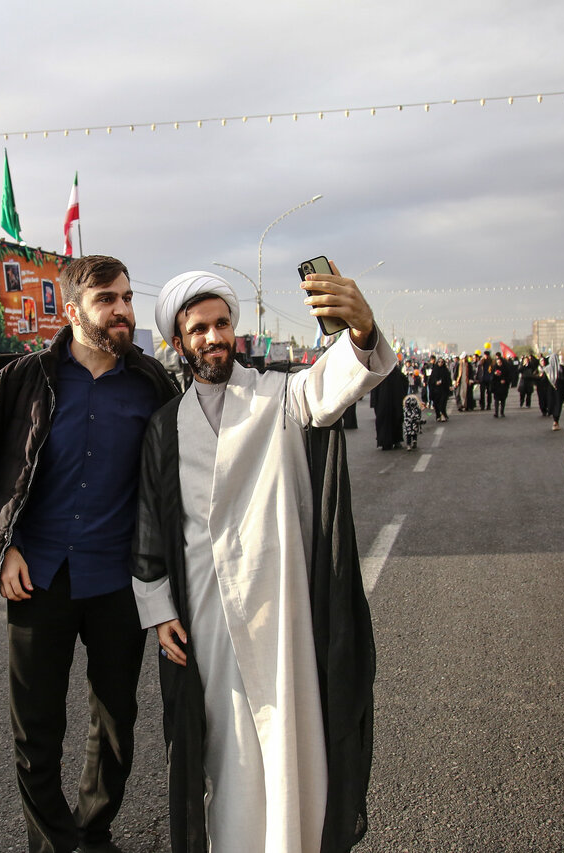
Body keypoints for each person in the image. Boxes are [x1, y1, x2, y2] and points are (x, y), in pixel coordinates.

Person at [132, 267, 394, 853]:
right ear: (178, 343)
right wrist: (158, 608)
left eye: (222, 324)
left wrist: (361, 327)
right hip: (207, 616)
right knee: (227, 750)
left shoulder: (280, 394)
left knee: (293, 742)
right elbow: (149, 520)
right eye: (198, 329)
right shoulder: (165, 426)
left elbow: (338, 381)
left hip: (284, 607)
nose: (213, 337)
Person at [0, 255, 177, 853]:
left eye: (127, 297)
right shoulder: (25, 379)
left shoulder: (153, 384)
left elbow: (180, 478)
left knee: (116, 721)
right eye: (107, 299)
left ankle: (94, 832)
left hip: (118, 581)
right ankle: (53, 843)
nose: (123, 309)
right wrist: (6, 547)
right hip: (38, 576)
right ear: (73, 311)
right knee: (36, 728)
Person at [369, 362, 408, 449]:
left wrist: (374, 402)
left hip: (382, 404)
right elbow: (405, 382)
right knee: (396, 420)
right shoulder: (396, 372)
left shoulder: (380, 373)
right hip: (395, 402)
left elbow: (374, 389)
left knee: (384, 422)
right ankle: (396, 441)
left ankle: (385, 442)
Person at [428, 355, 452, 422]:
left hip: (444, 389)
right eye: (439, 362)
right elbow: (431, 380)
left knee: (443, 403)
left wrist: (450, 385)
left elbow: (448, 379)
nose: (440, 363)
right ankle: (438, 415)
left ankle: (443, 415)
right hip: (436, 390)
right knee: (436, 404)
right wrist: (436, 382)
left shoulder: (445, 370)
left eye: (442, 362)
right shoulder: (435, 370)